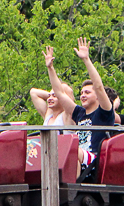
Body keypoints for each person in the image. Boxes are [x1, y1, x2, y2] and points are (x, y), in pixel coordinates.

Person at [44, 39, 115, 171]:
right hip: (80, 160)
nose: (82, 95)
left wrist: (86, 60)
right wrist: (50, 68)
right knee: (61, 151)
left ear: (97, 97)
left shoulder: (104, 112)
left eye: (87, 92)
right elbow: (59, 93)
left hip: (96, 161)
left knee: (69, 149)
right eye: (81, 93)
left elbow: (99, 87)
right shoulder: (79, 113)